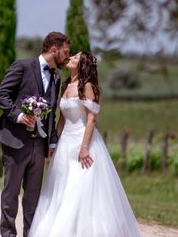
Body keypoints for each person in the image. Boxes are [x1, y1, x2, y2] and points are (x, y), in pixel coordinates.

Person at [29, 50, 141, 237]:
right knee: (61, 188)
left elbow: (91, 120)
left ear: (82, 65)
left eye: (75, 57)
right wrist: (54, 143)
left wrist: (84, 147)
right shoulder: (66, 85)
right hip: (65, 143)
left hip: (83, 141)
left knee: (78, 188)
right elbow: (62, 120)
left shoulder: (87, 86)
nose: (70, 58)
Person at [0, 32, 71, 237]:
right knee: (11, 193)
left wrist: (52, 142)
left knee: (33, 197)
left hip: (40, 145)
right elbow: (1, 94)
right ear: (53, 49)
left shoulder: (56, 77)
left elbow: (52, 113)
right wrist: (18, 116)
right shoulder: (22, 66)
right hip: (16, 141)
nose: (67, 57)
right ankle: (8, 234)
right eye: (65, 52)